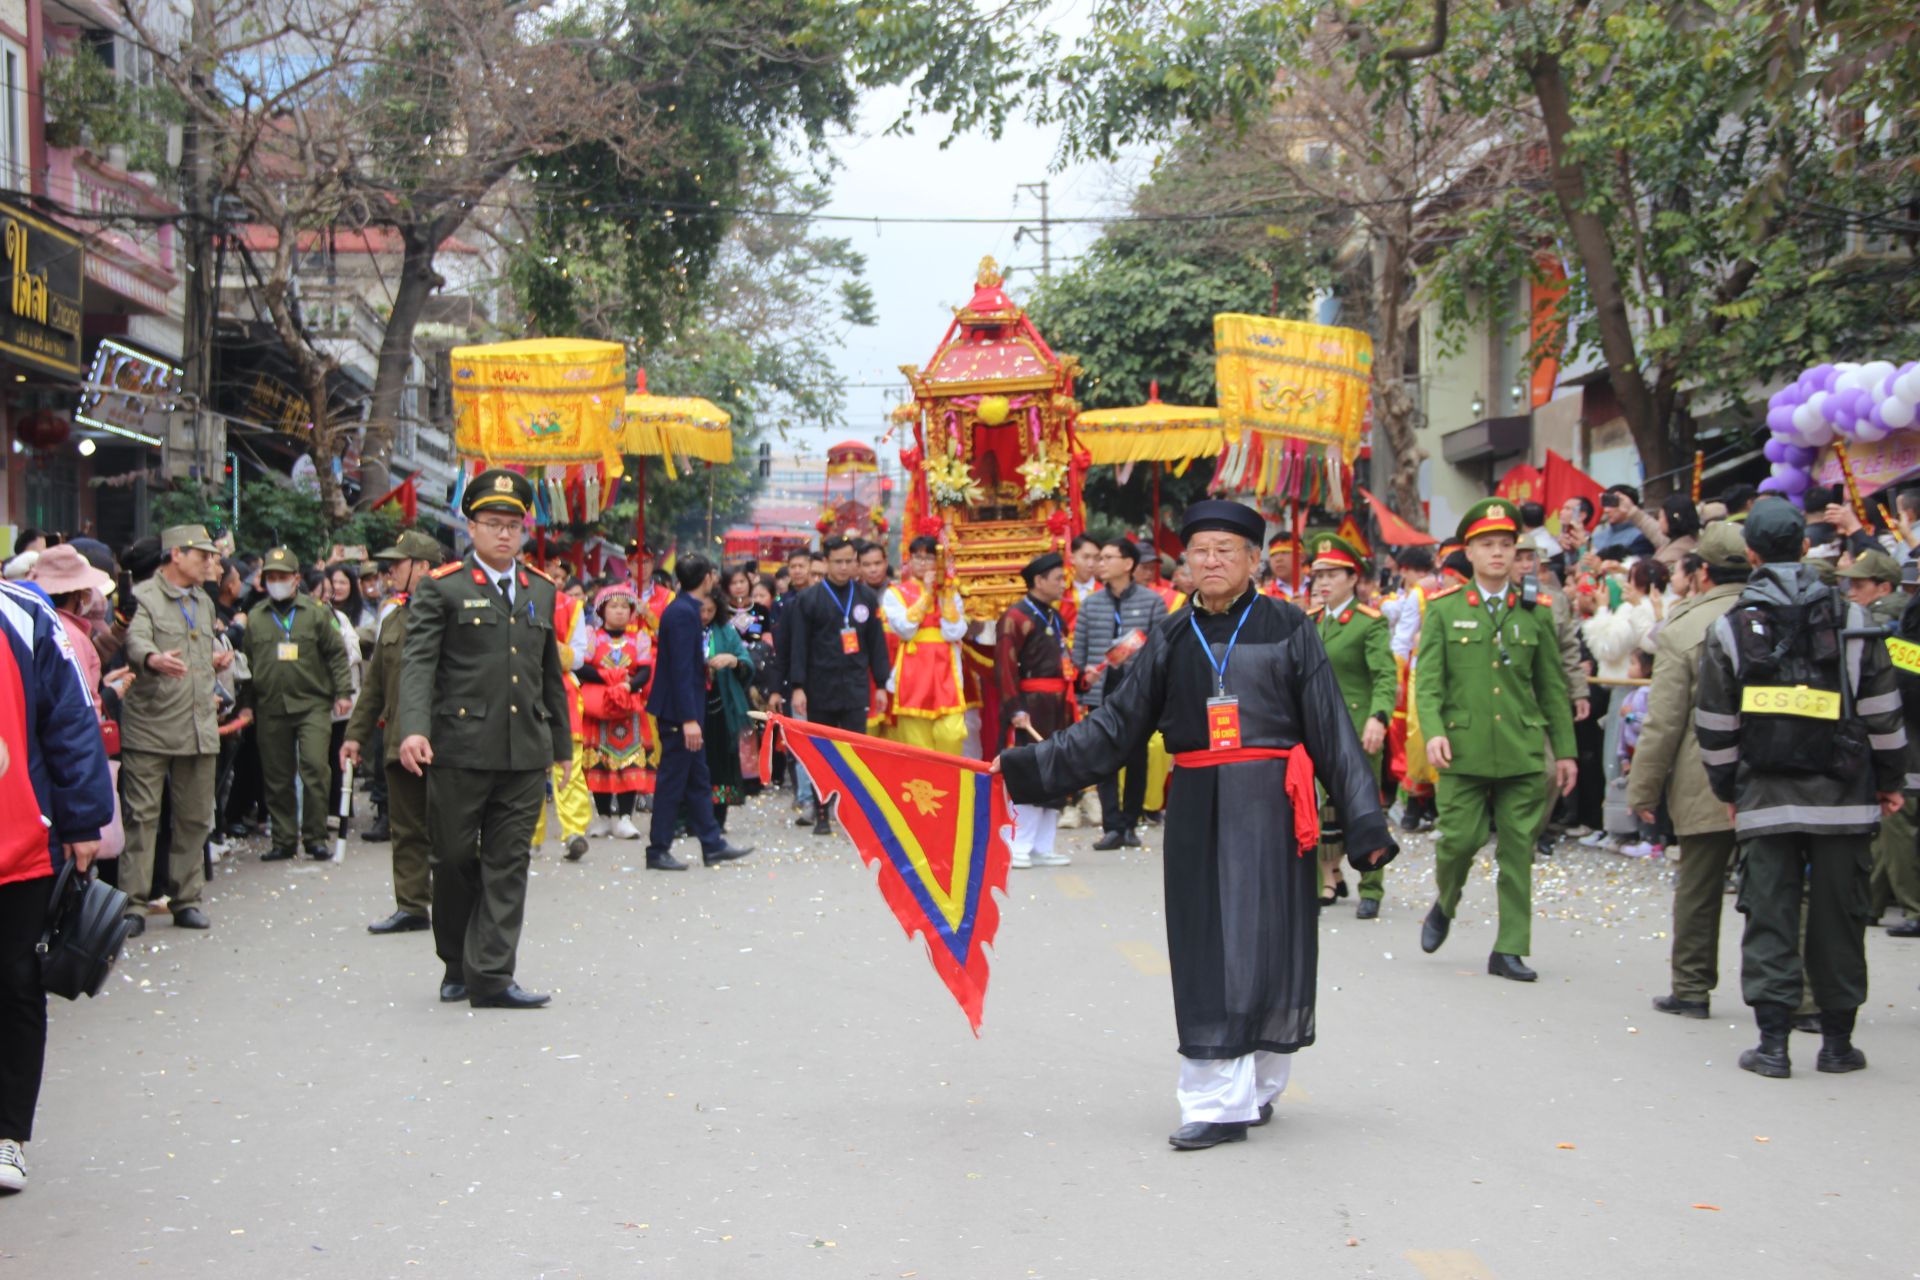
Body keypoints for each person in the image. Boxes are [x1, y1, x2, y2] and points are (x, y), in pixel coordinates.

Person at [996, 500, 1392, 1150]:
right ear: (1183, 565)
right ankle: (1215, 1101)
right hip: (1197, 806)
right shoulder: (1173, 638)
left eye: (1224, 551)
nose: (1209, 562)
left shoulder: (1290, 626)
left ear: (1254, 561)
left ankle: (1259, 1084)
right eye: (1199, 552)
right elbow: (1114, 728)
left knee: (1270, 939)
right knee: (1206, 943)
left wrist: (1365, 825)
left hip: (1272, 807)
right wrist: (1026, 767)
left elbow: (1332, 730)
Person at [1695, 497, 1906, 1077]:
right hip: (1845, 798)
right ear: (1807, 547)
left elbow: (1715, 726)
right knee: (1840, 916)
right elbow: (1884, 717)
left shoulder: (1730, 629)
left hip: (1764, 799)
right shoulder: (1857, 622)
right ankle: (1837, 1046)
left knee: (1770, 916)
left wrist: (1728, 788)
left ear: (1752, 553)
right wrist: (1889, 784)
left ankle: (1772, 1047)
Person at [395, 470, 572, 1009]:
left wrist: (562, 747)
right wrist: (413, 729)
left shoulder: (540, 589)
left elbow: (549, 676)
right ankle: (456, 959)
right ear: (470, 526)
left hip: (524, 750)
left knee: (508, 860)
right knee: (451, 859)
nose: (503, 535)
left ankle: (492, 975)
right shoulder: (442, 587)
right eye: (493, 524)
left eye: (513, 525)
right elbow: (418, 663)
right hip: (459, 748)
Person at [1415, 498, 1578, 982]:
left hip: (1521, 747)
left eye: (1506, 545)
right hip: (1462, 749)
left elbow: (1552, 686)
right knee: (1459, 841)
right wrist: (1434, 732)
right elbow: (1428, 683)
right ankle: (1446, 901)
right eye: (1487, 545)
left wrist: (1565, 751)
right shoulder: (1444, 611)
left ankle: (1509, 948)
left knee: (1517, 849)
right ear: (1469, 551)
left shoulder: (1535, 610)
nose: (1498, 554)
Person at [0, 577, 114, 1196]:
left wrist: (80, 816)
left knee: (15, 981)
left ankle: (7, 1133)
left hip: (16, 837)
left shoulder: (22, 615)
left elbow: (70, 720)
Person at [1627, 523, 1750, 1016]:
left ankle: (1692, 988)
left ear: (1701, 572)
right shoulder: (1784, 613)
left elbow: (1664, 723)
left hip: (1705, 776)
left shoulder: (1683, 629)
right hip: (1778, 775)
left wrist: (1643, 790)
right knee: (1781, 888)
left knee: (1699, 889)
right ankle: (1798, 997)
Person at [118, 526, 231, 932]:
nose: (210, 563)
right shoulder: (143, 597)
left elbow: (202, 651)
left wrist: (217, 661)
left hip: (199, 724)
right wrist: (152, 659)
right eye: (202, 556)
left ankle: (187, 899)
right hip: (151, 724)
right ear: (176, 555)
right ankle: (134, 904)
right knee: (142, 817)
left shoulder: (203, 602)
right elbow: (135, 642)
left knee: (196, 817)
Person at [341, 531, 444, 936]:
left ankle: (462, 901)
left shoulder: (451, 613)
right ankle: (412, 905)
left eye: (397, 565)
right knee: (406, 829)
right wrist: (354, 735)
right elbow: (375, 686)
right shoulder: (394, 617)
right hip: (398, 739)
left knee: (452, 830)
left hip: (444, 742)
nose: (389, 573)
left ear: (422, 567)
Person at [240, 547, 352, 862]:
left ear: (296, 579)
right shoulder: (256, 619)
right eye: (271, 577)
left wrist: (343, 692)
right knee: (276, 775)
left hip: (312, 703)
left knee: (315, 767)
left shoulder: (317, 613)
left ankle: (315, 837)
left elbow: (337, 655)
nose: (277, 582)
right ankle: (284, 839)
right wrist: (246, 705)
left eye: (283, 576)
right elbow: (246, 667)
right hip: (270, 705)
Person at [642, 554, 753, 870]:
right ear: (706, 578)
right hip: (680, 714)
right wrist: (689, 719)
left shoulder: (686, 610)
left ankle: (711, 842)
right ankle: (658, 848)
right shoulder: (682, 613)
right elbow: (679, 669)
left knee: (698, 778)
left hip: (687, 709)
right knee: (673, 781)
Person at [1304, 535, 1395, 915]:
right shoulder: (1309, 622)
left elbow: (1385, 676)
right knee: (1312, 806)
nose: (1323, 583)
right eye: (1317, 575)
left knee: (1362, 807)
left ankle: (1371, 886)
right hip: (1314, 729)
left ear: (1352, 578)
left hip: (1357, 728)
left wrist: (1379, 717)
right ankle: (1320, 880)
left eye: (1331, 574)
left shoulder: (1368, 624)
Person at [1835, 549, 1920, 938]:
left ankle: (1911, 905)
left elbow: (1901, 681)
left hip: (1906, 737)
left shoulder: (1888, 624)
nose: (1852, 592)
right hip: (1902, 734)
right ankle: (1870, 902)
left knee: (1898, 823)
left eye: (1860, 584)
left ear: (1885, 587)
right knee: (1890, 826)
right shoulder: (1899, 617)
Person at [785, 535, 891, 838]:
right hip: (820, 687)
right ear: (826, 562)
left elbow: (876, 644)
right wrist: (798, 687)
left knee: (856, 752)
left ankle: (855, 817)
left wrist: (881, 684)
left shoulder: (865, 598)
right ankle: (822, 814)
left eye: (849, 561)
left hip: (856, 686)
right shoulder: (809, 600)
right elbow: (799, 647)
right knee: (823, 753)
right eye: (838, 562)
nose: (844, 567)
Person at [1072, 538, 1169, 850]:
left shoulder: (1152, 602)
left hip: (1138, 693)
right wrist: (1087, 671)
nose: (1101, 563)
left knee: (1137, 758)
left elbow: (1162, 650)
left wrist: (1137, 666)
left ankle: (1130, 823)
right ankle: (1112, 825)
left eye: (1108, 557)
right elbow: (1079, 653)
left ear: (1128, 564)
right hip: (1101, 692)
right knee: (1105, 759)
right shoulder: (1090, 605)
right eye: (1100, 557)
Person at [994, 552, 1073, 868]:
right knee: (1029, 770)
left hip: (1058, 704)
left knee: (1058, 771)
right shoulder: (1015, 617)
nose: (1062, 584)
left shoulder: (1057, 616)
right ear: (1039, 581)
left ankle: (1043, 845)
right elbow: (1004, 666)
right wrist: (1015, 708)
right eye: (1057, 578)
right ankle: (1018, 845)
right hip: (1030, 706)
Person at [577, 583, 654, 839]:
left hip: (628, 710)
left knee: (629, 760)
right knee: (598, 760)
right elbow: (581, 667)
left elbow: (644, 671)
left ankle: (624, 817)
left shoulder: (639, 638)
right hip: (599, 708)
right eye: (614, 606)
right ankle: (602, 817)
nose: (620, 612)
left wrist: (628, 685)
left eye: (625, 607)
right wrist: (608, 678)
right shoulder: (591, 637)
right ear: (601, 610)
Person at [883, 535, 968, 755]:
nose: (922, 563)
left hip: (945, 667)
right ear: (909, 560)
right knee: (916, 741)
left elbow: (955, 632)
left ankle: (950, 780)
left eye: (929, 558)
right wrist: (927, 596)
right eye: (917, 557)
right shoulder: (896, 593)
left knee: (952, 732)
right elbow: (905, 629)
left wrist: (943, 595)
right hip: (914, 668)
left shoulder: (950, 592)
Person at [696, 592, 756, 830]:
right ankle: (691, 816)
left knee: (721, 762)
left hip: (720, 707)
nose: (705, 616)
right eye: (701, 610)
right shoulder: (684, 629)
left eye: (710, 610)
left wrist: (733, 660)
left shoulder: (725, 630)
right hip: (693, 704)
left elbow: (745, 661)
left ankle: (717, 817)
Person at [1260, 533, 1300, 602]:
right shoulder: (1262, 596)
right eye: (1273, 554)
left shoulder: (1318, 589)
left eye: (1284, 552)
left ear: (1301, 557)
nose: (1278, 559)